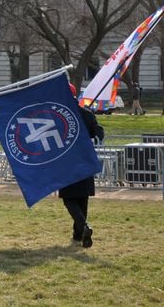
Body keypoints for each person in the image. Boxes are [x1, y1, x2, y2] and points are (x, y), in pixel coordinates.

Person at [60, 82, 105, 248]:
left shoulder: (59, 115)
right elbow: (99, 133)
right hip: (85, 161)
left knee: (68, 198)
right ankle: (78, 235)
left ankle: (83, 226)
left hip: (67, 163)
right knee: (82, 198)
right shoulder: (87, 114)